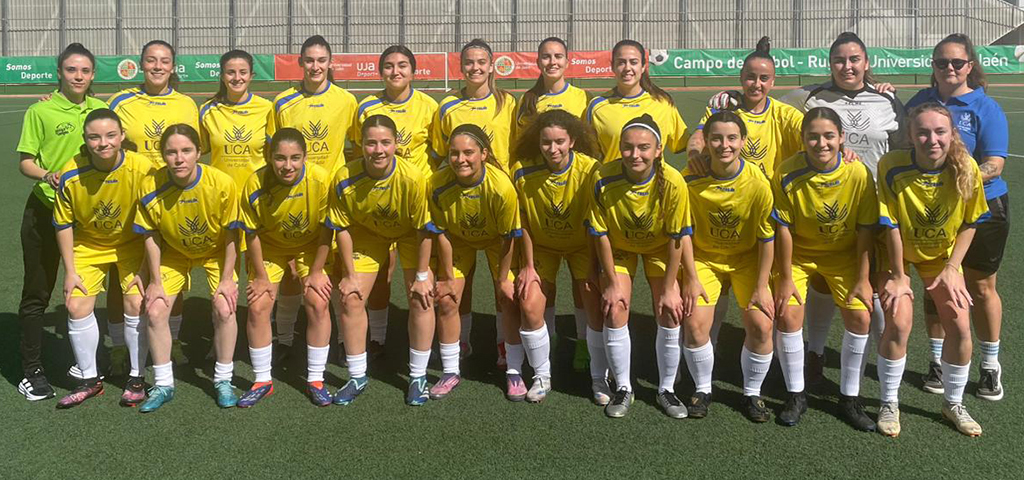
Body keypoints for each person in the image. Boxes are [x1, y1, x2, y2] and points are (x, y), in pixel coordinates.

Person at [776, 31, 906, 387]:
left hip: (875, 210)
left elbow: (903, 150)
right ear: (829, 64)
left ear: (866, 62)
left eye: (854, 59)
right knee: (821, 280)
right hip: (824, 206)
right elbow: (764, 104)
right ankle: (816, 353)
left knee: (874, 288)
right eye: (839, 60)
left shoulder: (888, 100)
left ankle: (881, 358)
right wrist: (730, 97)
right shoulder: (809, 97)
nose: (846, 66)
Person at [875, 103, 989, 437]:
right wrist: (899, 276)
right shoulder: (891, 165)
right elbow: (891, 225)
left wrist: (953, 268)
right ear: (910, 136)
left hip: (941, 257)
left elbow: (970, 222)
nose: (932, 139)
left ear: (952, 134)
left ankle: (953, 403)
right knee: (899, 322)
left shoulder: (965, 166)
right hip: (896, 253)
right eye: (922, 132)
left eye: (940, 132)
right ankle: (889, 402)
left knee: (960, 325)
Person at [906, 34, 1009, 402]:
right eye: (941, 62)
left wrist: (958, 177)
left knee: (981, 288)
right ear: (933, 66)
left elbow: (995, 164)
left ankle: (990, 365)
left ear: (970, 66)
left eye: (957, 62)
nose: (949, 68)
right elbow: (902, 143)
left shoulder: (985, 107)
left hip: (983, 208)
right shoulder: (920, 102)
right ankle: (937, 360)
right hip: (932, 211)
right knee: (936, 285)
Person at [771, 107, 877, 431]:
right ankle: (796, 394)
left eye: (829, 136)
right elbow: (783, 229)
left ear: (842, 137)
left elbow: (866, 228)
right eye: (813, 137)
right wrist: (785, 277)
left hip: (843, 256)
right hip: (799, 256)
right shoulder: (787, 172)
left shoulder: (858, 173)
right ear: (803, 139)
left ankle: (850, 398)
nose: (821, 143)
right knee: (788, 313)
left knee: (860, 316)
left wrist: (863, 278)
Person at [16, 43, 108, 401]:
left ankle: (85, 364)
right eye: (71, 69)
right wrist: (47, 174)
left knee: (83, 290)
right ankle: (32, 371)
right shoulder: (41, 110)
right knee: (38, 293)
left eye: (85, 70)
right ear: (59, 72)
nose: (78, 76)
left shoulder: (100, 109)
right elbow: (26, 162)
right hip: (45, 211)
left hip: (86, 216)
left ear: (93, 74)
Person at [327, 115, 438, 406]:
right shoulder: (344, 177)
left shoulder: (413, 178)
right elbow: (342, 228)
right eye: (371, 143)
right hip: (368, 235)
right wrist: (349, 275)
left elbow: (424, 230)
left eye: (385, 142)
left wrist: (422, 276)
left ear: (396, 144)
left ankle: (418, 376)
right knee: (351, 297)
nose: (379, 150)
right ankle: (357, 376)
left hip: (410, 235)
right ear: (360, 144)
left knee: (421, 297)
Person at [587, 114, 692, 419]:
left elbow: (676, 238)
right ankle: (623, 387)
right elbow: (601, 234)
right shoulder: (603, 177)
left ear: (658, 150)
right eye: (628, 147)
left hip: (660, 249)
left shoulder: (673, 181)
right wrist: (611, 282)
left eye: (644, 148)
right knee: (615, 307)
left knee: (670, 311)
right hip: (620, 249)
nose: (635, 154)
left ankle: (666, 389)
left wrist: (670, 288)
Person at [132, 124, 242, 412]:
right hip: (175, 253)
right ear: (162, 155)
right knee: (155, 309)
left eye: (186, 151)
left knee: (225, 307)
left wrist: (228, 279)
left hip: (215, 252)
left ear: (199, 152)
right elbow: (151, 235)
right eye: (171, 152)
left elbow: (232, 234)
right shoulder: (150, 185)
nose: (179, 158)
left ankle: (223, 380)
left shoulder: (222, 183)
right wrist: (155, 280)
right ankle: (163, 384)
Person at [52, 109, 154, 408]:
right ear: (85, 140)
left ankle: (136, 377)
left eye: (110, 135)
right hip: (89, 245)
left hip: (131, 244)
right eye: (94, 137)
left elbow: (153, 220)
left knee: (135, 301)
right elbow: (63, 224)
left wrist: (146, 267)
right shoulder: (71, 172)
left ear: (122, 136)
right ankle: (89, 380)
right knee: (75, 304)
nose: (103, 143)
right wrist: (70, 271)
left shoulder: (142, 168)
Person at [679, 111, 775, 423]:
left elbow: (766, 238)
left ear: (743, 141)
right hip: (704, 259)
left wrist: (762, 286)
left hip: (746, 259)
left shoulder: (758, 183)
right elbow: (683, 232)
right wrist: (690, 277)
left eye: (732, 138)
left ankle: (752, 392)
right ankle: (703, 388)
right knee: (695, 324)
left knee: (762, 325)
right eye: (717, 138)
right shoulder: (689, 179)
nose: (725, 145)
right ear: (706, 141)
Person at [109, 40, 200, 367]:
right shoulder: (121, 101)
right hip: (130, 199)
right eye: (151, 60)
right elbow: (104, 140)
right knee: (121, 275)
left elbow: (194, 149)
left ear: (173, 67)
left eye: (164, 61)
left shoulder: (187, 104)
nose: (157, 66)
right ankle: (119, 346)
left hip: (172, 200)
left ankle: (171, 342)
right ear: (141, 64)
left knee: (171, 270)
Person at [429, 39, 518, 367]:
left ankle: (502, 343)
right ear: (461, 66)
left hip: (498, 202)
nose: (475, 68)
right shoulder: (448, 106)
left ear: (492, 65)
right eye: (469, 62)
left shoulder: (508, 103)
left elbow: (517, 148)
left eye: (482, 62)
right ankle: (461, 341)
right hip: (459, 202)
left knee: (502, 282)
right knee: (456, 281)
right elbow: (438, 155)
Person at [272, 35, 358, 362]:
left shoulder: (347, 101)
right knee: (292, 270)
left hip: (332, 195)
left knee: (336, 267)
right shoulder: (283, 102)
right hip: (293, 194)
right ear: (300, 62)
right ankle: (284, 337)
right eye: (309, 60)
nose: (315, 66)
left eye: (321, 60)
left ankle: (340, 337)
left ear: (330, 63)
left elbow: (356, 147)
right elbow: (275, 151)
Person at [351, 45, 439, 360]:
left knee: (421, 278)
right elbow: (358, 151)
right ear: (380, 71)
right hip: (378, 203)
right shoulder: (366, 106)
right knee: (381, 274)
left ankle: (427, 346)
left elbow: (438, 154)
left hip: (416, 206)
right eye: (389, 66)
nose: (395, 71)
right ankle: (378, 337)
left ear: (413, 71)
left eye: (402, 65)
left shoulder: (429, 106)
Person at [235, 128, 333, 408]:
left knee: (318, 301)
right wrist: (261, 277)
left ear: (305, 157)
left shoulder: (321, 180)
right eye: (280, 158)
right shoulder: (255, 183)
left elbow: (327, 229)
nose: (287, 165)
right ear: (269, 157)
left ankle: (316, 379)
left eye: (295, 158)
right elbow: (251, 233)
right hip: (270, 247)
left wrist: (317, 271)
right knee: (258, 305)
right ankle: (262, 381)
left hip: (310, 246)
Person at [510, 109, 602, 403]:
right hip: (542, 247)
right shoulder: (522, 171)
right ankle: (542, 375)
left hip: (581, 246)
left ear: (572, 141)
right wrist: (527, 266)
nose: (553, 149)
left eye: (560, 141)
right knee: (529, 302)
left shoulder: (591, 170)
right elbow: (523, 222)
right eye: (546, 142)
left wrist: (593, 267)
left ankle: (597, 373)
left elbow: (596, 222)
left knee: (593, 298)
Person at [427, 124, 523, 401]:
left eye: (468, 152)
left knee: (508, 297)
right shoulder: (437, 184)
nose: (461, 159)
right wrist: (447, 277)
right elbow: (441, 233)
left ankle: (513, 368)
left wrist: (503, 280)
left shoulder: (501, 187)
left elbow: (508, 237)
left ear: (484, 154)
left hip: (496, 241)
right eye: (454, 153)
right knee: (446, 298)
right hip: (458, 240)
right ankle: (450, 369)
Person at [516, 36, 593, 370]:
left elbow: (589, 143)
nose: (552, 62)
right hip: (541, 190)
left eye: (558, 56)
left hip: (574, 190)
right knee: (540, 287)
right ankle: (547, 345)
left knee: (582, 285)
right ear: (538, 62)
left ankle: (583, 345)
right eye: (546, 57)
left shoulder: (582, 97)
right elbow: (520, 144)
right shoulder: (528, 100)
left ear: (567, 61)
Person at [586, 40, 688, 164]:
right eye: (621, 62)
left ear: (643, 66)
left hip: (655, 177)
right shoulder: (597, 107)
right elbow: (588, 154)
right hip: (612, 177)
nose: (627, 68)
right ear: (613, 66)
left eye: (633, 62)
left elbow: (684, 144)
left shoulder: (663, 103)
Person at [199, 49, 276, 188]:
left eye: (243, 72)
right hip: (220, 190)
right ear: (222, 76)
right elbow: (197, 152)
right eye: (230, 72)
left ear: (251, 76)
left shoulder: (267, 108)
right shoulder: (207, 110)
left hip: (256, 191)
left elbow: (274, 154)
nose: (237, 78)